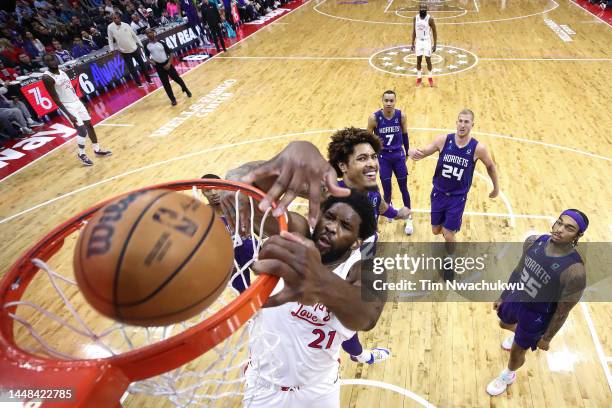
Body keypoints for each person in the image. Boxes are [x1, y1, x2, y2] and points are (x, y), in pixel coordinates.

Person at [240, 187, 383, 407]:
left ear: (356, 242)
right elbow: (241, 193)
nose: (331, 228)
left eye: (345, 226)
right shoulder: (295, 231)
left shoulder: (365, 269)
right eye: (329, 217)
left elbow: (367, 317)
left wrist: (319, 280)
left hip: (318, 389)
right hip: (263, 386)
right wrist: (295, 178)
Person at [487, 210, 588, 396]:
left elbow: (562, 311)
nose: (559, 229)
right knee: (504, 323)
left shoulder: (575, 272)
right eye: (559, 222)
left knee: (517, 353)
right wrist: (503, 295)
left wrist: (547, 338)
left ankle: (508, 374)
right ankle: (521, 338)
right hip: (517, 297)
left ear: (578, 235)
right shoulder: (534, 241)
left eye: (569, 228)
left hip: (537, 314)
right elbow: (518, 271)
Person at [411, 109, 499, 244]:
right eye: (460, 121)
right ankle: (449, 230)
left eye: (466, 122)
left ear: (472, 125)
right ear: (456, 122)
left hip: (457, 198)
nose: (462, 125)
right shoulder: (443, 140)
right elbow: (423, 152)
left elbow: (491, 166)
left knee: (448, 234)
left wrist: (496, 188)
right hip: (438, 193)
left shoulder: (478, 148)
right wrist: (412, 151)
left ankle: (450, 258)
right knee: (436, 230)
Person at [42, 54, 111, 166]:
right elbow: (55, 98)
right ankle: (81, 154)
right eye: (49, 61)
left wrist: (82, 102)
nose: (52, 62)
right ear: (46, 64)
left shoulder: (62, 72)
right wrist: (69, 114)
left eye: (53, 59)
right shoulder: (47, 78)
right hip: (67, 105)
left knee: (89, 125)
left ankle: (97, 150)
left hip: (76, 101)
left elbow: (70, 89)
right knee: (82, 130)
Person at [367, 90, 414, 235]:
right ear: (382, 101)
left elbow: (405, 135)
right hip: (384, 158)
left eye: (391, 100)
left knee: (403, 187)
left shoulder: (401, 116)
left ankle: (409, 217)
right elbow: (368, 140)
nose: (388, 103)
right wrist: (371, 157)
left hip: (398, 156)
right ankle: (390, 210)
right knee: (386, 188)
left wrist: (407, 152)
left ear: (395, 101)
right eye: (386, 100)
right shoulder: (374, 118)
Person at [144, 28, 191, 106]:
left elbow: (171, 53)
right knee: (166, 84)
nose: (149, 34)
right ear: (146, 35)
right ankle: (172, 99)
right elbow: (146, 56)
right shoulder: (147, 45)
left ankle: (185, 89)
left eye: (150, 32)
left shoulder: (161, 42)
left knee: (177, 79)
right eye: (147, 33)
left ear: (154, 32)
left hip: (167, 64)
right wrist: (151, 62)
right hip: (159, 67)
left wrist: (169, 64)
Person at [107, 12, 153, 88]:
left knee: (142, 65)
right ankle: (139, 83)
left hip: (134, 48)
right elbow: (110, 40)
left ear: (120, 17)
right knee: (132, 69)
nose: (117, 19)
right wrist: (112, 49)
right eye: (115, 18)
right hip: (124, 51)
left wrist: (140, 44)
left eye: (118, 17)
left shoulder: (126, 25)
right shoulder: (110, 27)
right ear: (112, 19)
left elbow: (134, 36)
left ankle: (149, 80)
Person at [410, 2, 437, 87]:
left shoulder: (430, 19)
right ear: (419, 9)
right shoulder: (415, 18)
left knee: (428, 60)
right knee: (418, 60)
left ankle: (430, 78)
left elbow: (434, 31)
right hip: (418, 41)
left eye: (424, 9)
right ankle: (419, 78)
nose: (422, 10)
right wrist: (412, 43)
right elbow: (414, 31)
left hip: (426, 41)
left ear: (426, 10)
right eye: (421, 8)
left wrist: (435, 44)